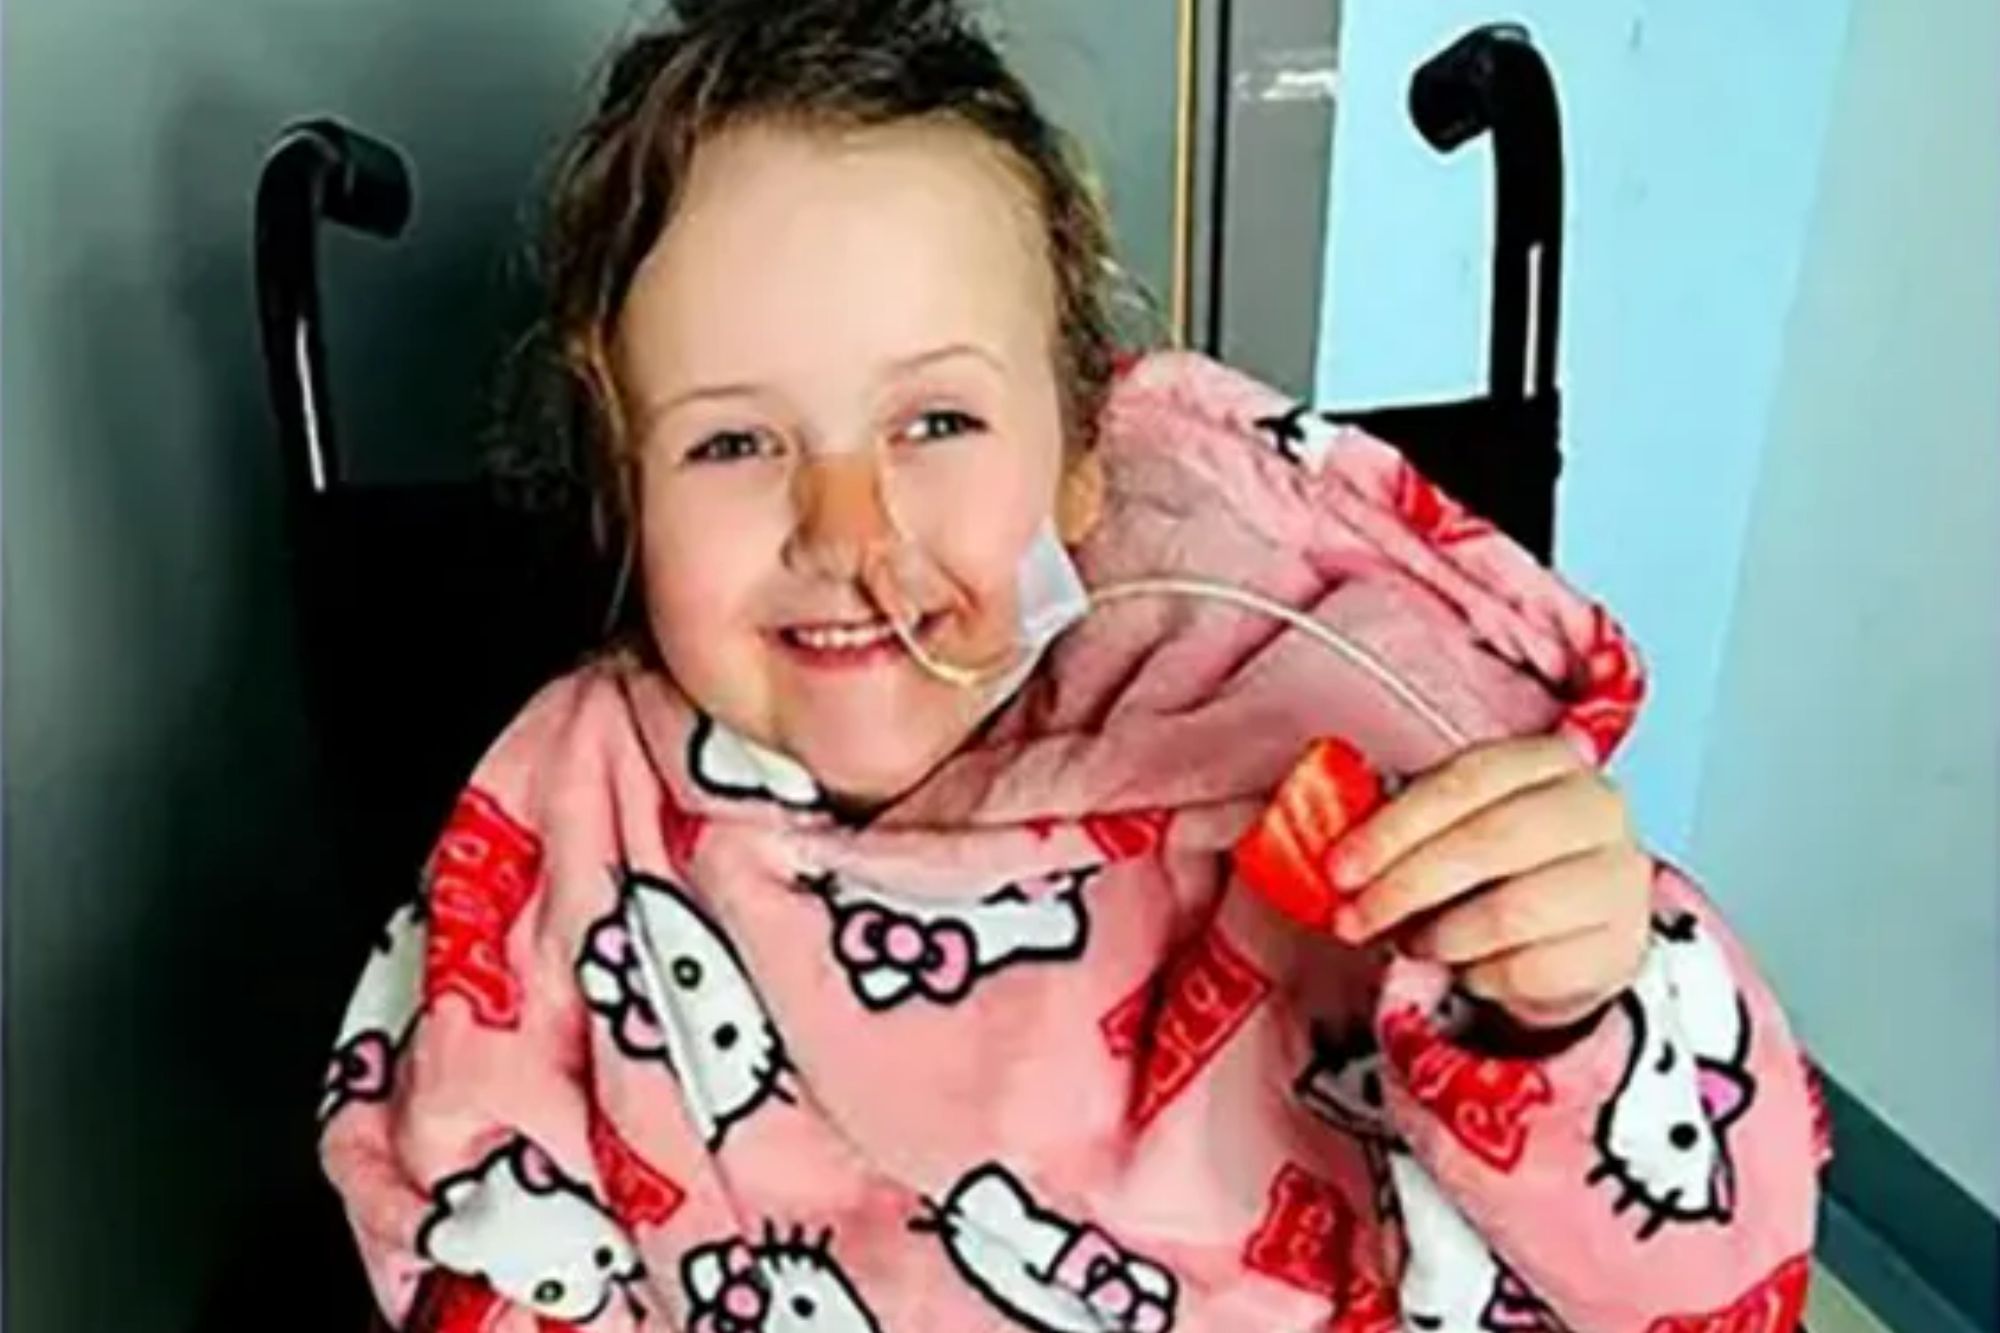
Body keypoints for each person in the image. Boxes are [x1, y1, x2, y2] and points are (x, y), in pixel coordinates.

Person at [319, 2, 1826, 1329]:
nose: (849, 527)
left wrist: (1568, 1011)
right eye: (732, 441)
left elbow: (1694, 1284)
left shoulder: (1322, 728)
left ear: (1082, 462)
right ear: (623, 490)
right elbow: (470, 1204)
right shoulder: (573, 807)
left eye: (937, 424)